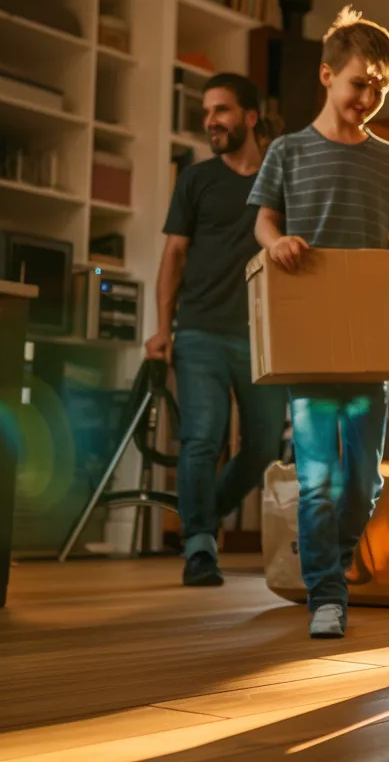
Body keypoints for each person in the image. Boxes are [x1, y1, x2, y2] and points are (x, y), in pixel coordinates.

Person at [248, 7, 389, 639]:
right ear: (326, 75)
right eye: (359, 83)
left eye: (380, 88)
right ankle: (328, 592)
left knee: (363, 481)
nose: (369, 98)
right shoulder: (287, 152)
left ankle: (332, 557)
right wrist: (275, 243)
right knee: (318, 478)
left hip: (371, 339)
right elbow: (263, 221)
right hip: (309, 337)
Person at [146, 73, 288, 588]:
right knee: (201, 438)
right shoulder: (196, 179)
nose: (211, 121)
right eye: (207, 112)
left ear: (251, 117)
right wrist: (163, 328)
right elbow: (174, 254)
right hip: (201, 329)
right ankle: (200, 545)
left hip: (263, 337)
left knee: (263, 449)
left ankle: (200, 515)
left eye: (222, 110)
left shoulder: (280, 180)